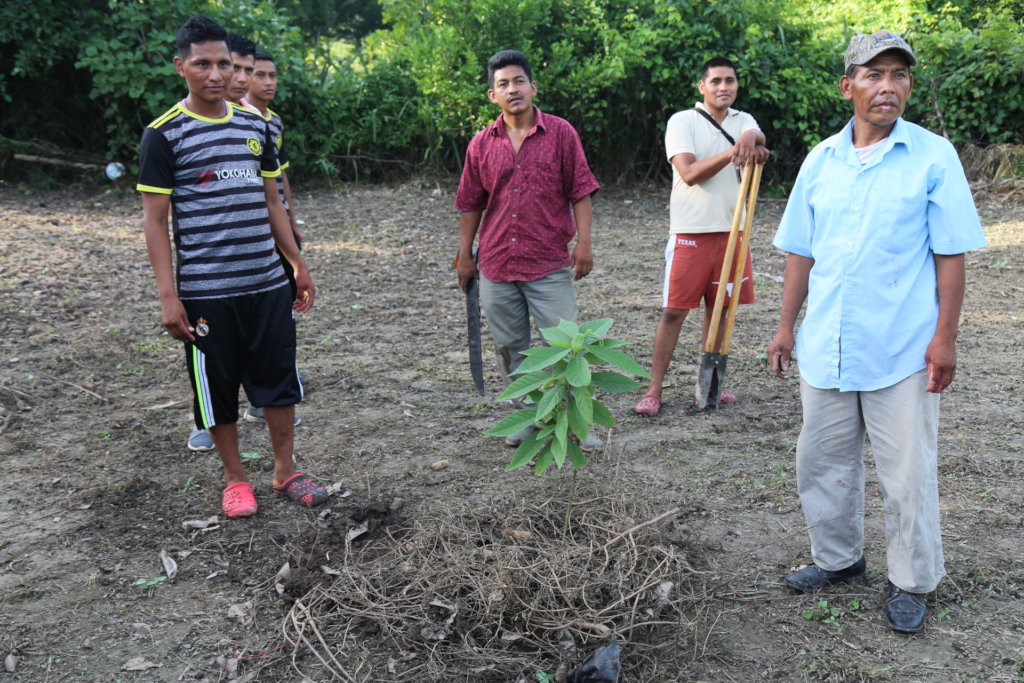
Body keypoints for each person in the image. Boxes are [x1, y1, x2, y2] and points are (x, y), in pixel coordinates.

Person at [767, 30, 986, 633]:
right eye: (873, 74)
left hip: (902, 348)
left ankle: (911, 579)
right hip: (826, 345)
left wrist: (946, 337)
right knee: (822, 461)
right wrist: (786, 327)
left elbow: (951, 254)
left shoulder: (933, 156)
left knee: (906, 472)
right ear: (848, 86)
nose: (888, 87)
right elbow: (800, 253)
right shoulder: (820, 160)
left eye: (899, 75)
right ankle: (837, 560)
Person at [138, 15, 328, 517]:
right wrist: (168, 294)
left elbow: (272, 202)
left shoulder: (255, 125)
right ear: (181, 66)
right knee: (217, 385)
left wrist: (295, 263)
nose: (216, 73)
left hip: (266, 283)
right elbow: (156, 221)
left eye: (224, 63)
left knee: (277, 379)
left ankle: (286, 469)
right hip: (206, 292)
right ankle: (235, 477)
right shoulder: (164, 135)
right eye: (202, 63)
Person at [454, 49, 601, 449]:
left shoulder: (561, 134)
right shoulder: (482, 144)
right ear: (492, 95)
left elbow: (582, 191)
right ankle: (528, 417)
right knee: (510, 348)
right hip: (497, 264)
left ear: (533, 87)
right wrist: (465, 254)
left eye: (519, 81)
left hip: (548, 263)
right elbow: (471, 202)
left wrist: (584, 244)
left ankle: (575, 424)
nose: (512, 89)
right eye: (503, 84)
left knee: (567, 347)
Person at [634, 57, 769, 416]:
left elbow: (756, 135)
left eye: (730, 81)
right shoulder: (683, 120)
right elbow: (689, 173)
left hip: (733, 230)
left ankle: (710, 383)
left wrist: (750, 139)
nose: (723, 87)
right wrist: (735, 151)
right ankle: (654, 389)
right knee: (675, 312)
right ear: (702, 87)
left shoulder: (744, 120)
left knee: (721, 311)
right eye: (716, 81)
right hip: (691, 231)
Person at [243, 49, 307, 424]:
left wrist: (293, 220)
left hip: (278, 225)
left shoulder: (274, 122)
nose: (267, 82)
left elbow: (280, 177)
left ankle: (279, 378)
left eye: (272, 75)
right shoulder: (238, 119)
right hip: (252, 230)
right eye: (259, 75)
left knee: (284, 302)